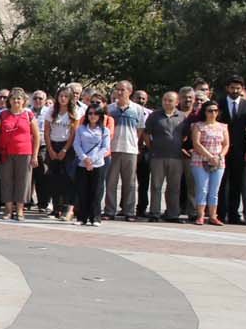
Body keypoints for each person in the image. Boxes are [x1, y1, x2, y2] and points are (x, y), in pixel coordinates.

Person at [218, 76, 246, 225]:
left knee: (237, 183)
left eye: (238, 88)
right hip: (221, 148)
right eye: (232, 88)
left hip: (241, 150)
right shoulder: (219, 103)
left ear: (242, 89)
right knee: (222, 183)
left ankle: (234, 214)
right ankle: (220, 214)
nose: (235, 91)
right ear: (227, 88)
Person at [0, 89, 41, 221]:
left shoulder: (29, 115)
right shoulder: (3, 115)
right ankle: (8, 209)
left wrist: (35, 155)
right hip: (6, 153)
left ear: (24, 101)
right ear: (9, 100)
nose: (16, 101)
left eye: (19, 99)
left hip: (24, 152)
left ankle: (20, 210)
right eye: (13, 98)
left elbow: (37, 136)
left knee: (23, 181)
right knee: (6, 180)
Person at [104, 81, 147, 220]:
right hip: (112, 149)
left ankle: (129, 211)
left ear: (130, 91)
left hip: (130, 149)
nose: (120, 92)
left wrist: (135, 143)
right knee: (111, 181)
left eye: (123, 90)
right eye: (117, 90)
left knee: (130, 182)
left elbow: (140, 129)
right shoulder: (110, 108)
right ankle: (110, 210)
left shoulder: (138, 109)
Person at [143, 91, 187, 222]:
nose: (166, 103)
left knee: (174, 186)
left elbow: (186, 135)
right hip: (157, 156)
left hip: (176, 157)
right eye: (164, 100)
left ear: (177, 102)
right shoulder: (154, 115)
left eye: (170, 100)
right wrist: (151, 147)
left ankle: (173, 214)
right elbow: (146, 134)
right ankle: (154, 213)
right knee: (156, 185)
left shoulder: (183, 117)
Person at [185, 100, 229, 227]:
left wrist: (219, 156)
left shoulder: (223, 127)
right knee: (202, 188)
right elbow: (196, 144)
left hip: (218, 162)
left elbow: (226, 144)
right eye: (210, 110)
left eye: (215, 110)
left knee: (214, 190)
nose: (213, 113)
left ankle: (213, 216)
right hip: (200, 161)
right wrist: (209, 156)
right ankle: (200, 215)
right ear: (204, 112)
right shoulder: (198, 126)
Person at [43, 85, 82, 222]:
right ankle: (56, 207)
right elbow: (47, 131)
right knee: (54, 178)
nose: (63, 99)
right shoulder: (51, 111)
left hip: (68, 147)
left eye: (66, 96)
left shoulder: (75, 112)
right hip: (53, 144)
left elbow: (73, 133)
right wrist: (51, 149)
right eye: (61, 96)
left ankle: (67, 208)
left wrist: (65, 149)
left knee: (68, 178)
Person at [72, 106, 111, 226]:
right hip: (82, 163)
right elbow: (76, 144)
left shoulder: (104, 131)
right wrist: (85, 158)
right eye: (90, 113)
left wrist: (93, 160)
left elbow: (105, 147)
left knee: (96, 191)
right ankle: (82, 217)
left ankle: (95, 217)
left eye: (95, 113)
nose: (92, 116)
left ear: (100, 116)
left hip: (97, 164)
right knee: (82, 191)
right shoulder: (81, 129)